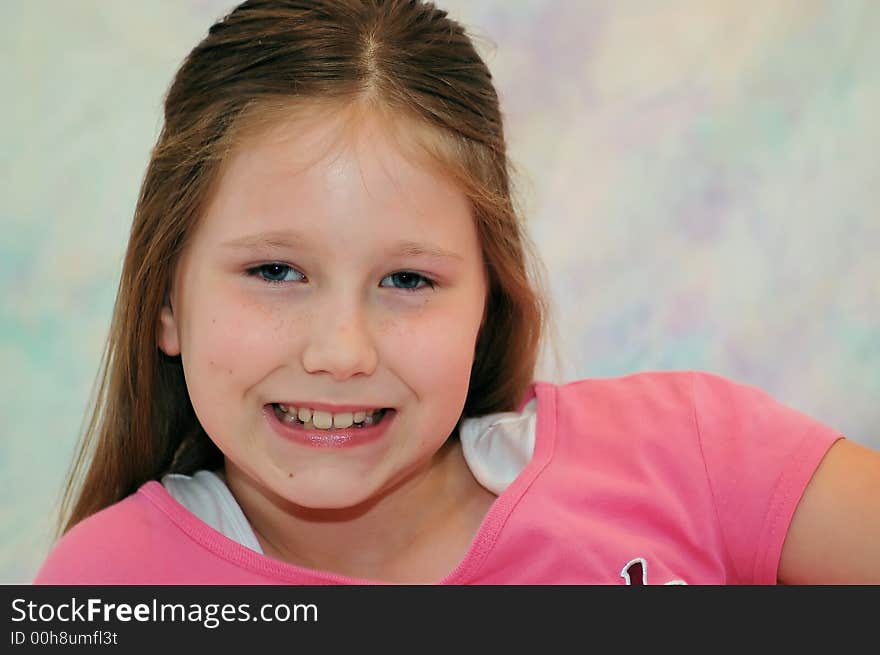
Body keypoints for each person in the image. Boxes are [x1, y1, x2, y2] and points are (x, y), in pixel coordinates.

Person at [34, 0, 879, 585]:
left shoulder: (691, 455)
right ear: (166, 301)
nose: (341, 352)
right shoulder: (110, 588)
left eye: (407, 280)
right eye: (275, 272)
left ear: (488, 301)